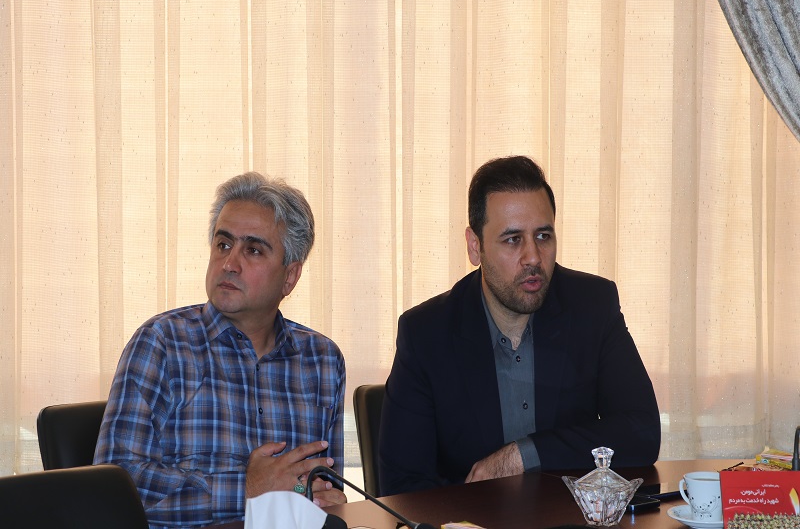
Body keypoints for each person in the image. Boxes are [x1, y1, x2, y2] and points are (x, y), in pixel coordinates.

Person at [378, 155, 660, 496]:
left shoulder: (592, 305)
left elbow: (642, 432)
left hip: (568, 516)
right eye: (513, 239)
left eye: (543, 236)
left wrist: (525, 455)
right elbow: (401, 486)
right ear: (475, 247)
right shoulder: (426, 333)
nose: (533, 257)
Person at [94, 172, 346, 527]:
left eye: (253, 250)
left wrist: (327, 499)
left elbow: (324, 486)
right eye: (223, 245)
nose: (229, 263)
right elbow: (112, 490)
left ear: (290, 276)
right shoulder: (162, 343)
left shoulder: (323, 360)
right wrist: (247, 489)